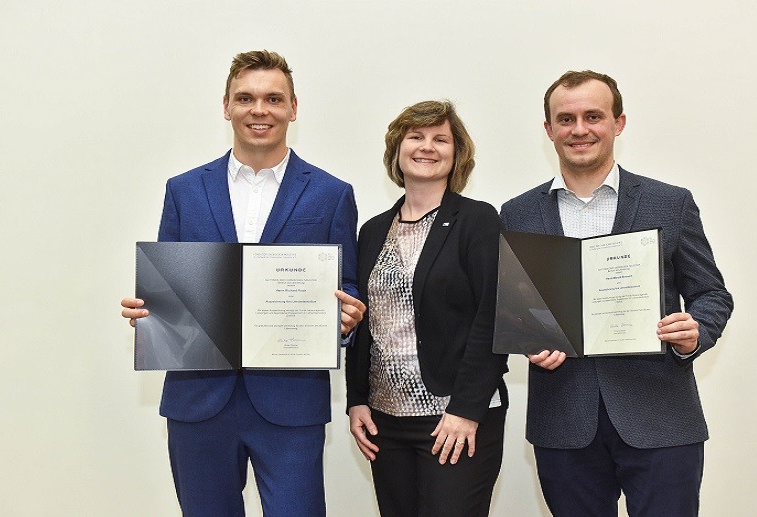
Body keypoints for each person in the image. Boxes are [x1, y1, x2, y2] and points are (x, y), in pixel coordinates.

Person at [120, 50, 366, 516]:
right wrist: (150, 312)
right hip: (198, 400)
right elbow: (168, 281)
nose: (260, 110)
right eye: (246, 98)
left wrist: (347, 313)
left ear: (294, 107)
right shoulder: (184, 189)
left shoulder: (332, 194)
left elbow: (347, 282)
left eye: (274, 98)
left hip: (291, 402)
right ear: (226, 105)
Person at [500, 71, 733, 516]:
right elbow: (515, 310)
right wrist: (528, 340)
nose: (580, 129)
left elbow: (711, 294)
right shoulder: (518, 213)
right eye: (565, 119)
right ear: (548, 130)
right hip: (563, 421)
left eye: (593, 116)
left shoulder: (670, 202)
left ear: (618, 123)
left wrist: (696, 329)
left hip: (661, 416)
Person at [345, 100, 509, 517]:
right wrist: (357, 399)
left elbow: (493, 316)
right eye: (415, 137)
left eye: (441, 139)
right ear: (397, 150)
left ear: (457, 154)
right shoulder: (372, 230)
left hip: (454, 419)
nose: (427, 147)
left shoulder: (477, 220)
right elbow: (365, 321)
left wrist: (465, 411)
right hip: (385, 419)